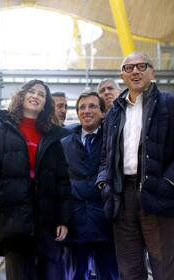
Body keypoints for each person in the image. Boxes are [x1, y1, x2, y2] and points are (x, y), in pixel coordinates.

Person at [96, 52, 174, 280]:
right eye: (129, 67)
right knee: (129, 270)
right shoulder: (114, 113)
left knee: (164, 270)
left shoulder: (172, 104)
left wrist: (166, 183)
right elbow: (105, 156)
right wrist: (104, 184)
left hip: (158, 195)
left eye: (141, 66)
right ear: (122, 75)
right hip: (121, 198)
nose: (135, 71)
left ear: (152, 72)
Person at [0, 79, 72, 280]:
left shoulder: (52, 136)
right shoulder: (0, 128)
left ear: (45, 104)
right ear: (22, 96)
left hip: (45, 214)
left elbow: (62, 180)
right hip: (13, 211)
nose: (36, 96)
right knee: (18, 272)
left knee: (47, 273)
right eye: (32, 92)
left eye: (41, 95)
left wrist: (63, 219)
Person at [61, 92, 118, 280]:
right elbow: (59, 183)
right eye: (82, 107)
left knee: (110, 275)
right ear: (77, 113)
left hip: (106, 223)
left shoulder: (113, 141)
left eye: (92, 106)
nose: (86, 111)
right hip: (75, 225)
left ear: (103, 113)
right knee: (75, 276)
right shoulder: (64, 144)